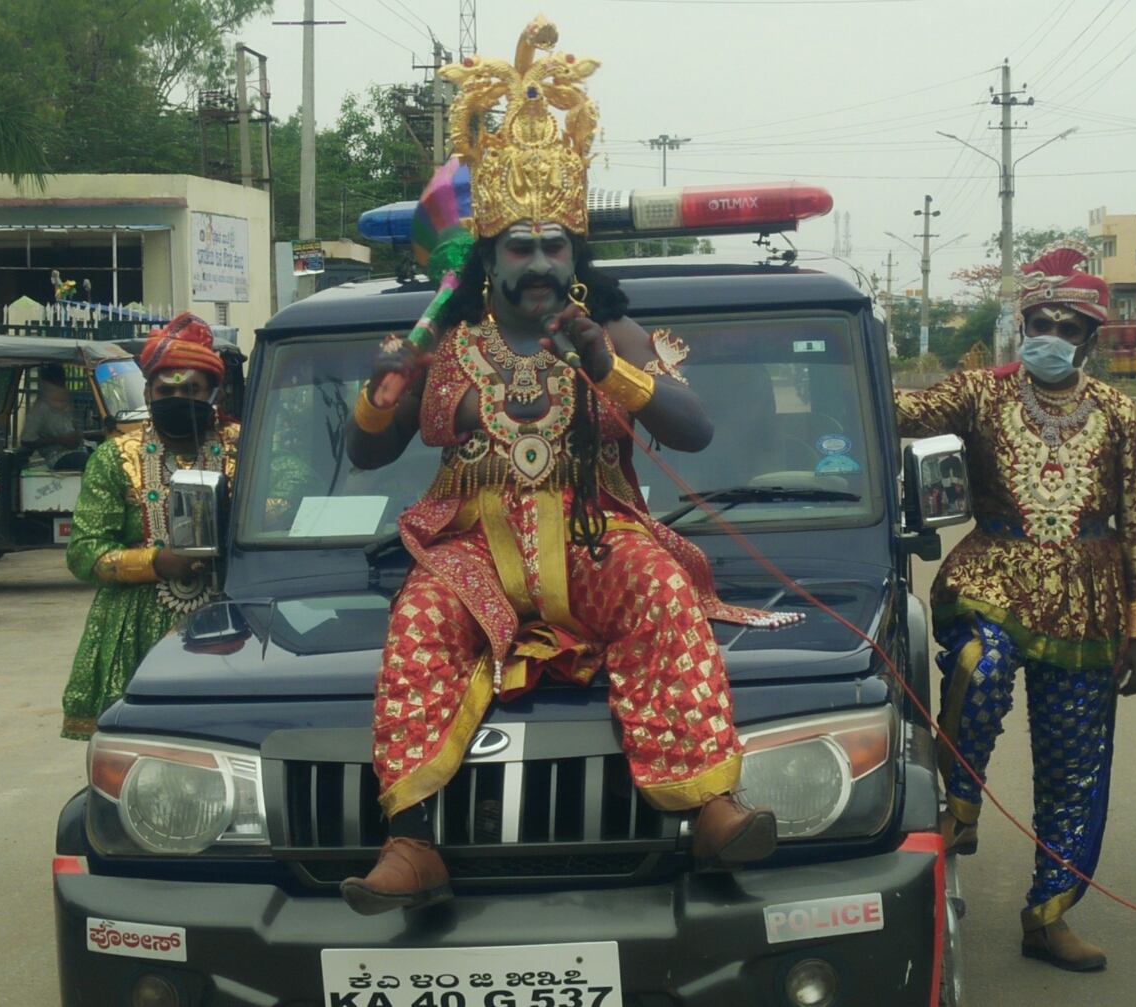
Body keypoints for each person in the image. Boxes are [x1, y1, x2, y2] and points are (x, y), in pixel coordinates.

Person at [338, 17, 798, 916]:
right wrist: (382, 387)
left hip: (598, 538)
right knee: (419, 624)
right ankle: (412, 839)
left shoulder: (612, 333)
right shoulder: (449, 345)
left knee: (663, 595)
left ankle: (709, 804)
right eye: (520, 246)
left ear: (575, 256)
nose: (540, 262)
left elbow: (694, 432)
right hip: (475, 556)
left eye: (555, 246)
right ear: (490, 258)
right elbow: (364, 451)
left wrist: (605, 364)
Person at [894, 243, 1136, 971]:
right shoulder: (982, 392)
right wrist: (830, 377)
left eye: (1066, 326)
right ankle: (959, 807)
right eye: (1038, 321)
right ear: (1022, 324)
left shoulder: (1120, 414)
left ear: (1089, 338)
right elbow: (907, 411)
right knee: (979, 666)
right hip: (996, 576)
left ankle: (1048, 914)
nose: (1050, 335)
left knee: (1073, 763)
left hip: (1089, 602)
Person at [61, 313, 237, 739]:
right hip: (134, 629)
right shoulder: (113, 457)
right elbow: (84, 553)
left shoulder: (246, 446)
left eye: (190, 390)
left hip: (230, 619)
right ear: (147, 392)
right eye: (166, 390)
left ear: (212, 393)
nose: (177, 397)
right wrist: (155, 562)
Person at [21, 363, 87, 469]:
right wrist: (60, 440)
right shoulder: (40, 408)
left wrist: (77, 435)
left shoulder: (67, 401)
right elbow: (26, 440)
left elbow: (75, 428)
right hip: (57, 456)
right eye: (59, 380)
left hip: (79, 450)